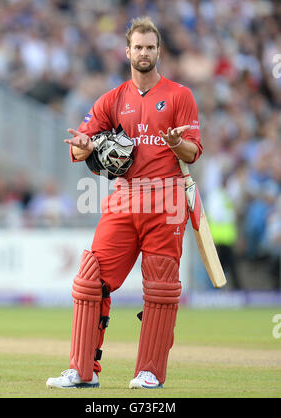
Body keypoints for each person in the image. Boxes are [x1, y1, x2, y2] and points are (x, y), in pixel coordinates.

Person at [46, 17, 202, 390]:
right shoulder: (113, 99)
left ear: (158, 51)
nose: (144, 53)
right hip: (124, 196)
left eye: (150, 47)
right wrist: (84, 146)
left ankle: (149, 372)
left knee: (161, 289)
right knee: (89, 279)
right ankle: (81, 371)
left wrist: (175, 143)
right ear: (127, 51)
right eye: (138, 47)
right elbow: (85, 138)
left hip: (167, 197)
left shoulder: (180, 96)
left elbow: (193, 151)